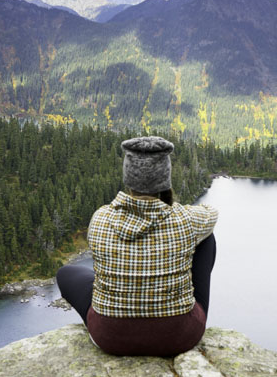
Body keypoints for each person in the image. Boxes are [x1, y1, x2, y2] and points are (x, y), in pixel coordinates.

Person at [56, 136, 217, 357]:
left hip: (110, 338)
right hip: (179, 336)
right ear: (165, 179)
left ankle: (116, 307)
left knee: (67, 273)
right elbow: (212, 213)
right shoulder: (186, 219)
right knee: (207, 239)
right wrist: (174, 208)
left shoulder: (101, 217)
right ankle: (185, 308)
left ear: (128, 177)